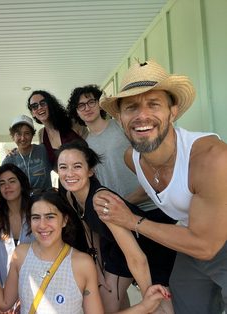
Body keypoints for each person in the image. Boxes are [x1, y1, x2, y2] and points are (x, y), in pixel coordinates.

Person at [95, 60, 227, 313]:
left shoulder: (210, 156)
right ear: (120, 118)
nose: (142, 116)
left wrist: (131, 220)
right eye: (131, 107)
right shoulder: (131, 158)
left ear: (173, 111)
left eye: (153, 104)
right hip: (192, 239)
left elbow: (206, 245)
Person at [0, 189, 171, 314]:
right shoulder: (21, 254)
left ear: (64, 220)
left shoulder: (81, 263)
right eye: (35, 217)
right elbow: (4, 301)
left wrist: (144, 307)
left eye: (50, 216)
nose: (42, 225)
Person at [67, 85, 177, 297]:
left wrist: (125, 201)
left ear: (100, 104)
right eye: (81, 105)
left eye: (91, 102)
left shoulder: (120, 127)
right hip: (120, 217)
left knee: (161, 281)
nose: (87, 108)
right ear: (76, 112)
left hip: (152, 207)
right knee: (120, 282)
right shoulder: (86, 145)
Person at [57, 140, 163, 312]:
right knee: (110, 300)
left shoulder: (102, 201)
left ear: (90, 170)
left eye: (77, 166)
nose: (69, 173)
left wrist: (147, 298)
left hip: (148, 250)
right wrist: (98, 271)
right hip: (117, 250)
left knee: (157, 307)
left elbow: (137, 256)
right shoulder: (71, 196)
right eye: (63, 167)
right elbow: (90, 232)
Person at [0, 163, 34, 313]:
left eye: (12, 181)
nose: (7, 186)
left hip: (36, 291)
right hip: (2, 298)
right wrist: (3, 298)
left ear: (22, 184)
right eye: (2, 183)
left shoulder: (36, 215)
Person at [27, 90, 87, 168]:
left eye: (43, 103)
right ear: (33, 113)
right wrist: (17, 152)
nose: (40, 107)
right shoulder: (41, 134)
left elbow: (93, 145)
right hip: (66, 179)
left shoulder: (72, 123)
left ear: (50, 105)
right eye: (34, 106)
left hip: (90, 175)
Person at [2, 115, 52, 192]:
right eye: (18, 134)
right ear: (13, 137)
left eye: (27, 133)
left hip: (45, 200)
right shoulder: (9, 161)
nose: (23, 138)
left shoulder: (43, 150)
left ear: (32, 135)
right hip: (22, 202)